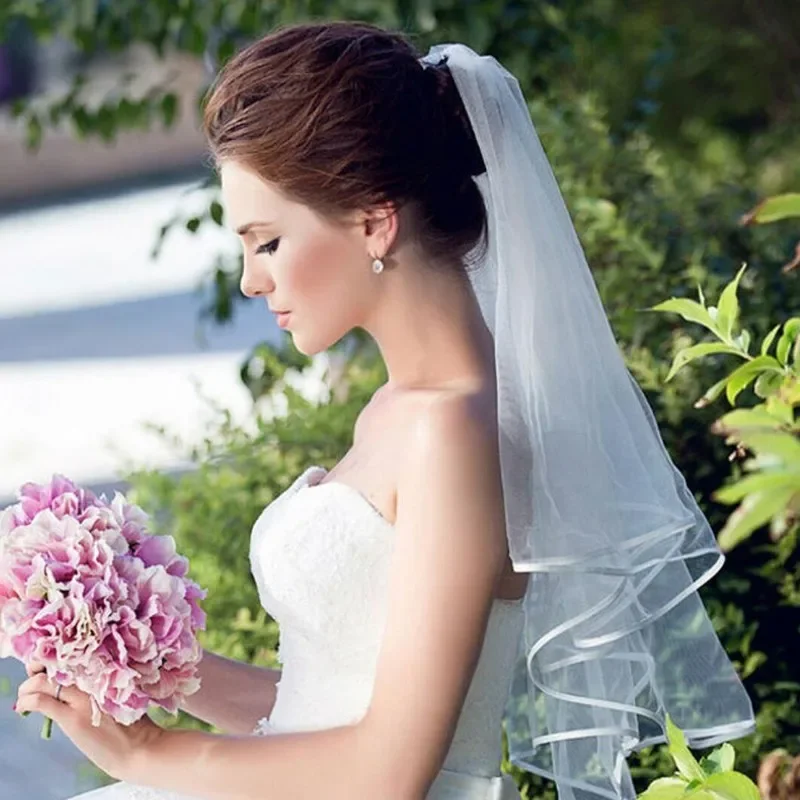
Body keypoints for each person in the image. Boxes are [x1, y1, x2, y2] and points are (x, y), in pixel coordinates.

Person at [15, 20, 755, 800]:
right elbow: (322, 713)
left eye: (266, 243)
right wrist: (149, 660)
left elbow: (393, 769)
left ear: (374, 220)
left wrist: (148, 759)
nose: (250, 283)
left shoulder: (453, 429)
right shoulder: (399, 411)